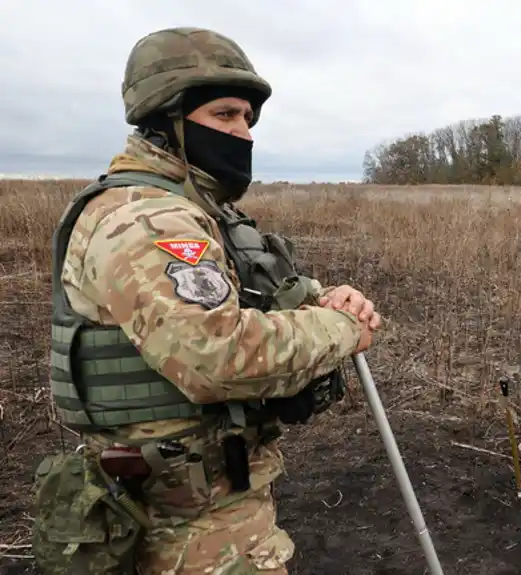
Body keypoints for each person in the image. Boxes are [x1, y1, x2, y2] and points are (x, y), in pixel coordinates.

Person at [31, 27, 381, 574]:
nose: (243, 132)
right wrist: (338, 327)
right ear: (164, 121)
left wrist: (324, 296)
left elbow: (250, 291)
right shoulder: (146, 219)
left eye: (246, 118)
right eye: (224, 115)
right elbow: (217, 358)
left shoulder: (196, 209)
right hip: (178, 526)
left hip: (217, 501)